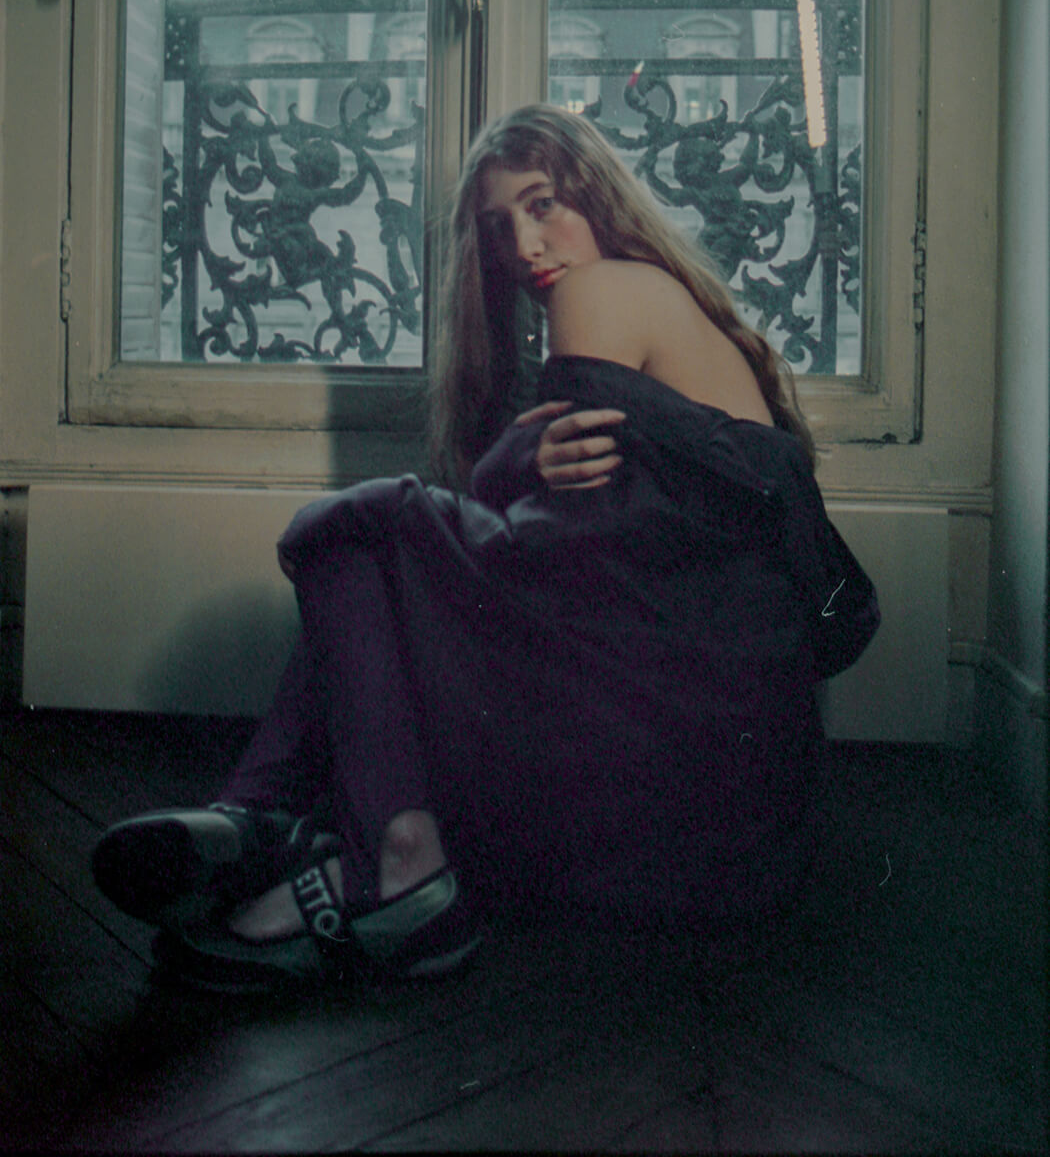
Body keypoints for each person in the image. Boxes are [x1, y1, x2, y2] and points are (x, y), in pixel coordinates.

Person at [92, 103, 880, 992]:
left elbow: (555, 563)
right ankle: (272, 825)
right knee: (382, 558)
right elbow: (602, 565)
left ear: (600, 198)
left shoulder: (602, 290)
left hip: (668, 783)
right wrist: (506, 472)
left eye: (544, 205)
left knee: (354, 535)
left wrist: (471, 482)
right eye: (498, 226)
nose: (524, 246)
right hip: (735, 823)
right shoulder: (665, 301)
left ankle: (366, 854)